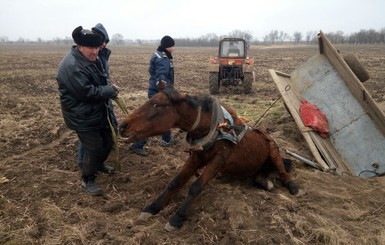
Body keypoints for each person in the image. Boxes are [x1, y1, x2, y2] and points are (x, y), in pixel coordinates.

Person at [56, 26, 119, 196]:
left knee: (108, 141)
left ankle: (98, 165)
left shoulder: (92, 59)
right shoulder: (72, 66)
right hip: (82, 115)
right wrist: (110, 90)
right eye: (90, 48)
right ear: (79, 46)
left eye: (97, 48)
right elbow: (87, 93)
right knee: (94, 147)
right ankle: (87, 179)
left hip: (96, 111)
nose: (95, 52)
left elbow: (101, 79)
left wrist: (108, 89)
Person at [76, 23, 117, 172]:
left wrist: (109, 89)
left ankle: (97, 162)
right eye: (102, 41)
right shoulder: (84, 59)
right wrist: (107, 90)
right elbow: (87, 87)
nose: (103, 44)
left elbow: (103, 75)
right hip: (92, 102)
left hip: (102, 97)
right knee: (89, 136)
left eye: (105, 41)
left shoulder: (102, 54)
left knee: (105, 131)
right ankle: (83, 163)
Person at [130, 35, 176, 156]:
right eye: (172, 46)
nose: (174, 48)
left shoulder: (159, 54)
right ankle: (137, 144)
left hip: (157, 91)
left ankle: (167, 139)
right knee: (152, 119)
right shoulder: (162, 59)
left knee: (165, 115)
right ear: (167, 46)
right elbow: (161, 76)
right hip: (158, 93)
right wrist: (164, 93)